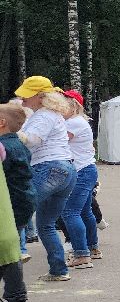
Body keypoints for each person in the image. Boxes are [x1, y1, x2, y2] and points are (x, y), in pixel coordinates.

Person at [14, 77, 77, 283]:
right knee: (45, 224)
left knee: (18, 208)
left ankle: (16, 250)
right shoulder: (52, 114)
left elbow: (32, 140)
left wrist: (12, 136)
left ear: (40, 96)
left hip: (49, 168)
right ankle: (58, 270)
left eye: (26, 94)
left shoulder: (44, 116)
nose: (21, 98)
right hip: (65, 171)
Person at [59, 92, 99, 269]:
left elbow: (57, 141)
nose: (58, 108)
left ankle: (81, 254)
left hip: (81, 172)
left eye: (62, 104)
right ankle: (92, 248)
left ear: (73, 105)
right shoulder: (79, 121)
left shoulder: (73, 123)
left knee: (70, 213)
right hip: (87, 170)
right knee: (84, 212)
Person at [0, 105, 33, 302]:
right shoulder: (18, 144)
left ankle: (17, 299)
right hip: (22, 201)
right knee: (8, 251)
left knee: (9, 252)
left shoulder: (4, 147)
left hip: (10, 204)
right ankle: (16, 298)